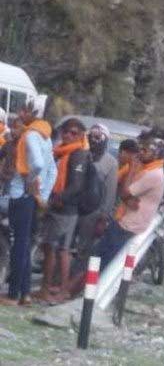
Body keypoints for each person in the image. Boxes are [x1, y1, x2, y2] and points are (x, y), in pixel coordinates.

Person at [0, 98, 57, 306]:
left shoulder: (31, 135)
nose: (20, 113)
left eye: (24, 109)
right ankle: (24, 294)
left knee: (18, 244)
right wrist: (42, 195)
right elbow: (53, 170)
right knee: (24, 244)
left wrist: (30, 181)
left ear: (33, 112)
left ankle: (13, 294)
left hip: (20, 195)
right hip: (31, 199)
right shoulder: (45, 136)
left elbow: (40, 165)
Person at [96, 128, 164, 270]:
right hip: (122, 219)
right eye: (140, 148)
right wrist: (128, 199)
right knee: (97, 258)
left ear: (156, 153)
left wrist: (132, 170)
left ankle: (80, 290)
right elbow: (123, 190)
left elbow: (125, 191)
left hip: (127, 226)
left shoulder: (152, 173)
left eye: (145, 150)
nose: (140, 153)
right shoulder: (145, 167)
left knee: (102, 263)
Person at [35, 117, 89, 302]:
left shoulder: (79, 154)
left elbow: (76, 186)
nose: (68, 135)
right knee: (54, 248)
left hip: (66, 209)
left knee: (58, 249)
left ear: (81, 135)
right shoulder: (61, 152)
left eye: (73, 133)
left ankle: (55, 290)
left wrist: (56, 199)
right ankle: (50, 289)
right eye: (65, 131)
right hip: (57, 206)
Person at [75, 124, 119, 269]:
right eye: (91, 136)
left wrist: (103, 217)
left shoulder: (111, 163)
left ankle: (75, 281)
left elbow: (111, 192)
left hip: (93, 212)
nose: (93, 140)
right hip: (73, 207)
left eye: (98, 137)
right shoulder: (80, 154)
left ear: (105, 140)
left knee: (84, 249)